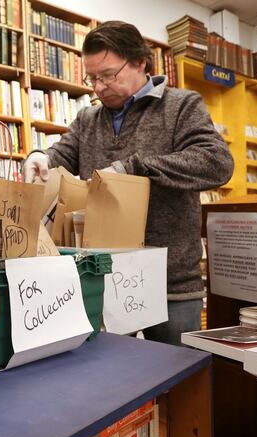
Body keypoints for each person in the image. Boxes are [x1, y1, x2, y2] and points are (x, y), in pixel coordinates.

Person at [22, 21, 234, 346]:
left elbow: (217, 163)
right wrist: (39, 157)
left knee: (178, 387)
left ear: (139, 62)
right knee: (112, 384)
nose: (98, 87)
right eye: (92, 78)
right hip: (102, 281)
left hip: (171, 286)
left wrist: (135, 168)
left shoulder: (181, 106)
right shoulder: (88, 119)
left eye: (108, 75)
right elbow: (61, 153)